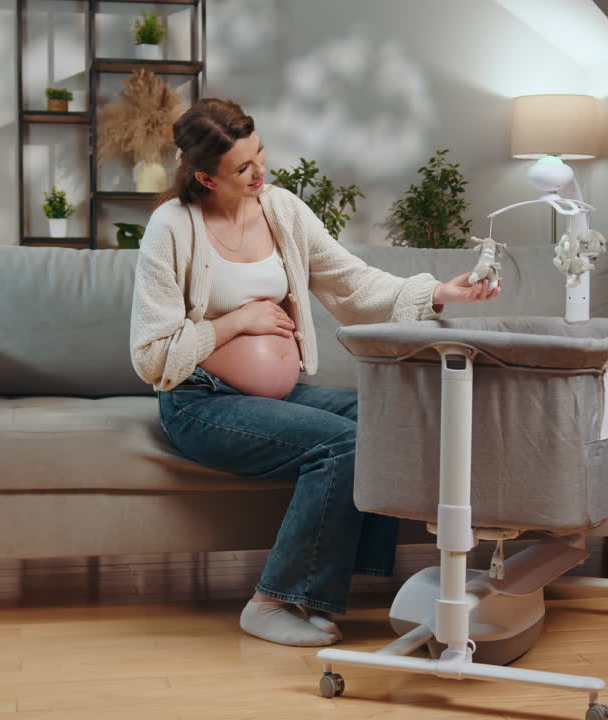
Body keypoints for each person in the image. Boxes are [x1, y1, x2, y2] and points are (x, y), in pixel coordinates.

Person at [129, 98, 501, 647]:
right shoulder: (172, 227)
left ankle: (341, 587)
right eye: (243, 168)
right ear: (205, 177)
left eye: (261, 156)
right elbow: (151, 354)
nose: (261, 173)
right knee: (345, 444)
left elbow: (351, 283)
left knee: (389, 416)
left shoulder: (281, 210)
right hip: (199, 402)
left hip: (279, 395)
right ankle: (271, 601)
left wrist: (439, 293)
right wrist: (235, 322)